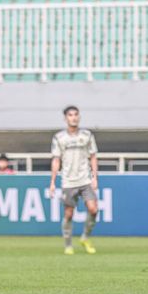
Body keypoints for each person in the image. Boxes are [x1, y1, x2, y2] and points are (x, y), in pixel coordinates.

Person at [49, 106, 99, 255]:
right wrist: (52, 181)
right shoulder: (59, 138)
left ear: (79, 117)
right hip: (68, 181)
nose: (74, 117)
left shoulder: (87, 135)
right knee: (69, 214)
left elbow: (93, 157)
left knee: (93, 209)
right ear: (66, 118)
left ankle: (85, 237)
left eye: (76, 114)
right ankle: (68, 244)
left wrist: (95, 177)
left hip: (85, 180)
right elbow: (56, 160)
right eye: (70, 115)